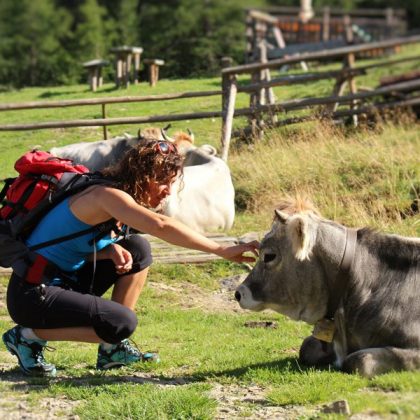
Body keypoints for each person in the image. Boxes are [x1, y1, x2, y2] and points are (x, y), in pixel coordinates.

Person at [2, 139, 259, 377]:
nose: (167, 191)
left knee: (137, 248)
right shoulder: (106, 196)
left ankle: (112, 351)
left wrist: (106, 249)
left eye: (172, 183)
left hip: (61, 279)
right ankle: (26, 336)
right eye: (162, 182)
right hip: (33, 294)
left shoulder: (108, 188)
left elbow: (65, 241)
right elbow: (160, 225)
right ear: (143, 176)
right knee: (121, 323)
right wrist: (220, 249)